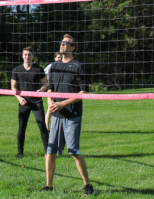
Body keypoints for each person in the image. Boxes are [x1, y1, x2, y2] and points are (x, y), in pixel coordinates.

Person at [42, 34, 94, 196]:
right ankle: (49, 186)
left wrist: (63, 103)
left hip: (72, 115)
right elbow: (50, 88)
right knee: (49, 151)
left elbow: (83, 92)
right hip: (57, 114)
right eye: (61, 42)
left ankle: (88, 186)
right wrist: (50, 102)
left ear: (73, 48)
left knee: (73, 151)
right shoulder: (55, 66)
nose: (62, 45)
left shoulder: (79, 66)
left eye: (66, 43)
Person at [11, 46, 50, 157]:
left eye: (29, 54)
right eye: (25, 54)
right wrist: (19, 98)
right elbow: (13, 87)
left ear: (33, 56)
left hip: (37, 101)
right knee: (22, 127)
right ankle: (20, 152)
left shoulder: (38, 69)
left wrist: (41, 90)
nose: (27, 57)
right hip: (24, 102)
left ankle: (47, 151)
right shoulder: (17, 70)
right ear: (22, 56)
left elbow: (45, 84)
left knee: (42, 125)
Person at [44, 52, 62, 131]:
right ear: (55, 58)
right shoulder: (51, 66)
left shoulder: (64, 66)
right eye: (58, 57)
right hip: (51, 89)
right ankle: (46, 127)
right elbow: (43, 74)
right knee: (50, 109)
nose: (59, 59)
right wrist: (46, 83)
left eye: (60, 57)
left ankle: (60, 127)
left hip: (60, 89)